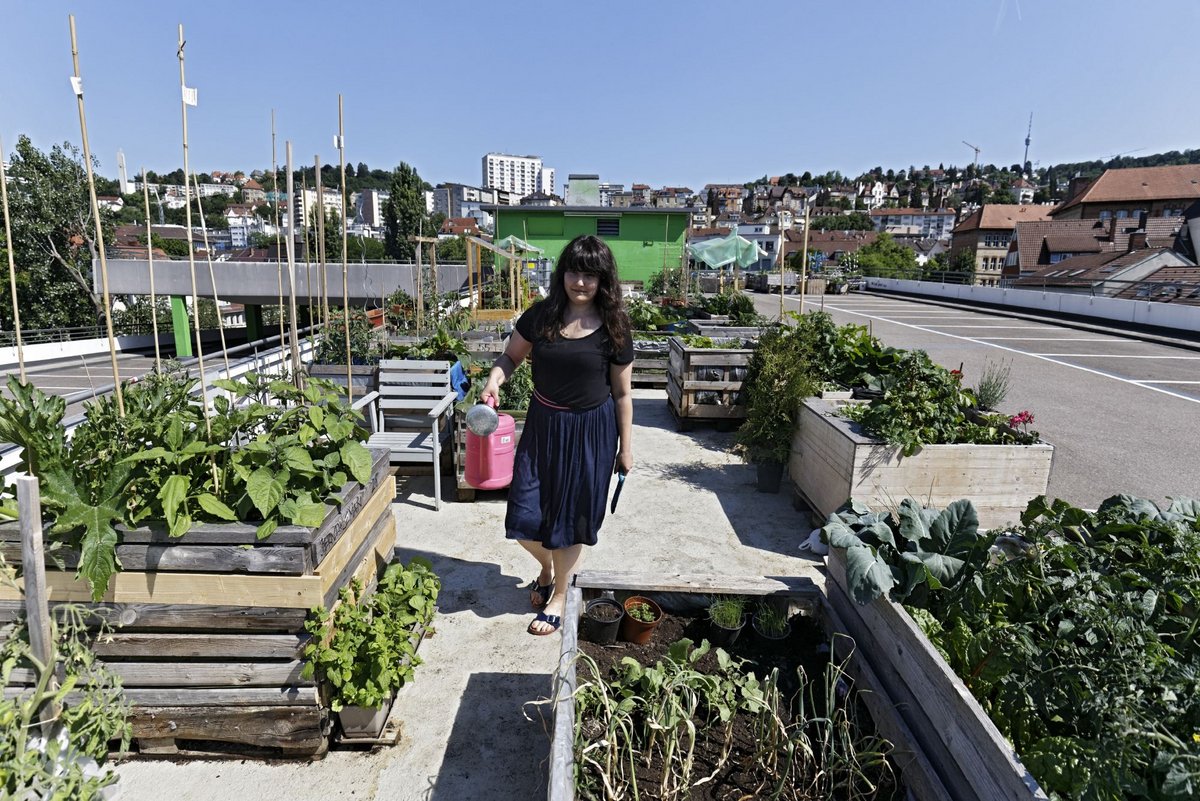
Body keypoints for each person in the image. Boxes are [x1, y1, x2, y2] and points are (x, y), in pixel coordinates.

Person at [481, 234, 634, 635]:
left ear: (603, 279)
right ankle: (547, 567)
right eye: (573, 272)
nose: (580, 282)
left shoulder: (615, 326)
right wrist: (495, 379)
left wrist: (626, 449)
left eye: (590, 275)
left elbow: (622, 394)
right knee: (524, 513)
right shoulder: (542, 316)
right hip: (544, 425)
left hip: (591, 432)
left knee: (572, 518)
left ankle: (560, 595)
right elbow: (510, 357)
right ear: (561, 273)